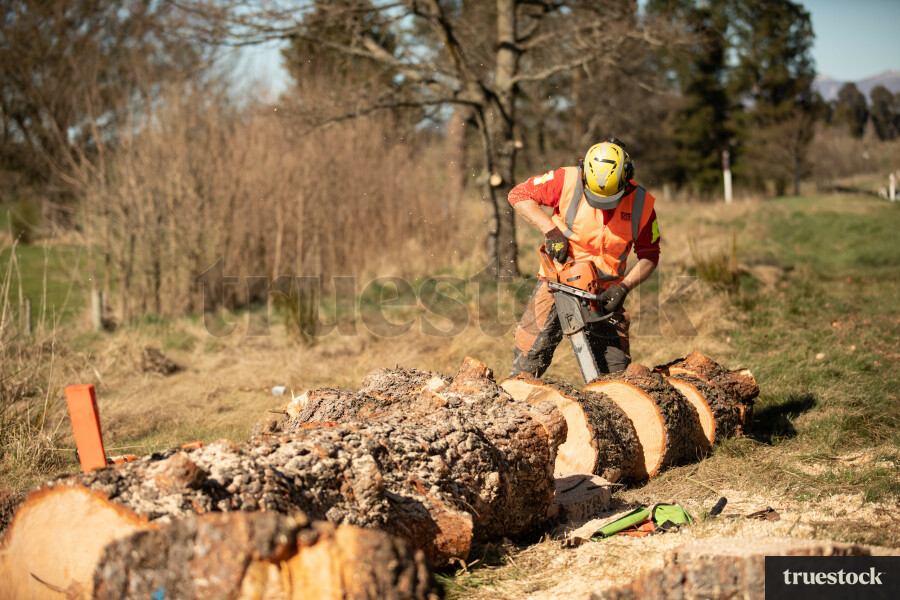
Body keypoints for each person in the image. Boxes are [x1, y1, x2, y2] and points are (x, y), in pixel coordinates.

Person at [508, 137, 660, 378]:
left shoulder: (642, 204)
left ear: (626, 179)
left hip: (606, 294)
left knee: (616, 376)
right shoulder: (566, 179)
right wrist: (552, 231)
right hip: (556, 282)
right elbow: (519, 195)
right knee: (528, 362)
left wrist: (624, 288)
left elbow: (650, 255)